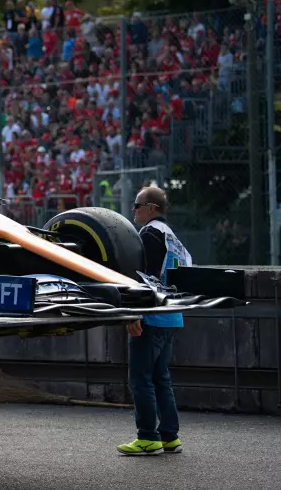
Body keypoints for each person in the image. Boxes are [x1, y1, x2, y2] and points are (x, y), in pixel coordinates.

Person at [117, 185, 188, 456]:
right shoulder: (171, 235)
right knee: (161, 379)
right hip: (172, 315)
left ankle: (147, 437)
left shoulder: (148, 234)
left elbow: (144, 278)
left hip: (151, 315)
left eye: (137, 205)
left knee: (140, 379)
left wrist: (132, 313)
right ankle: (169, 436)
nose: (133, 210)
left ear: (151, 208)